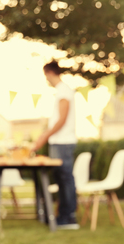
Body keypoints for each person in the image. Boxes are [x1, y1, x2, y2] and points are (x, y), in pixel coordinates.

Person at [32, 61, 79, 230]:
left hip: (63, 143)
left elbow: (62, 119)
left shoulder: (64, 91)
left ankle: (69, 217)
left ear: (50, 73)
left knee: (66, 179)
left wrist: (44, 136)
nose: (46, 79)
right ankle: (62, 215)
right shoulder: (61, 91)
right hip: (59, 143)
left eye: (46, 76)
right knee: (60, 179)